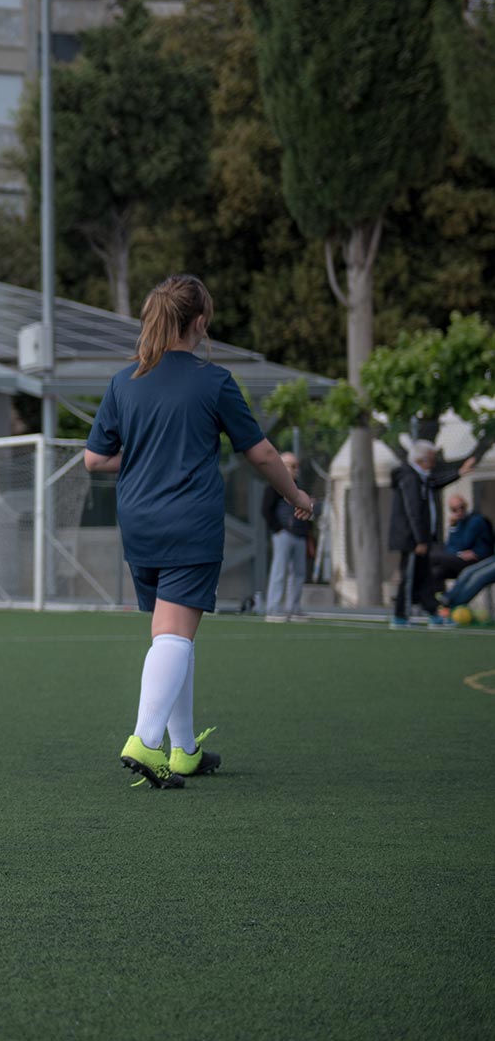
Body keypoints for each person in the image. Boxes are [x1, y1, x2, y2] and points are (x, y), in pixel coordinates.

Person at [84, 275, 312, 790]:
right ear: (200, 322)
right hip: (189, 522)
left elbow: (94, 459)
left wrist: (142, 456)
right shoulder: (214, 382)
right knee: (173, 636)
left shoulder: (125, 381)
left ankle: (183, 749)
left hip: (139, 522)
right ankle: (145, 739)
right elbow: (263, 454)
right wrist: (297, 497)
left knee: (174, 635)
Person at [387, 440, 476, 628]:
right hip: (412, 540)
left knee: (425, 576)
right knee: (410, 576)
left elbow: (436, 482)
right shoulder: (409, 478)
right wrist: (419, 540)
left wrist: (460, 472)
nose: (435, 461)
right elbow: (413, 510)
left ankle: (434, 613)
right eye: (432, 458)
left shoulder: (422, 478)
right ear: (423, 459)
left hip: (422, 539)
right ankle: (400, 616)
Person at [261, 452, 311, 622]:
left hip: (300, 535)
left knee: (298, 573)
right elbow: (266, 510)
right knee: (279, 571)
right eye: (291, 466)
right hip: (284, 534)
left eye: (296, 466)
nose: (295, 470)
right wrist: (278, 530)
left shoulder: (299, 487)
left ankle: (294, 608)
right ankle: (273, 608)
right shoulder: (274, 486)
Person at [439, 494, 495, 613]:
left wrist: (473, 552)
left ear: (466, 506)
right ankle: (446, 600)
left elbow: (462, 545)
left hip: (482, 557)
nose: (459, 511)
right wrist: (453, 527)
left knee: (479, 576)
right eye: (454, 509)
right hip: (488, 558)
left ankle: (451, 606)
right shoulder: (460, 522)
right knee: (467, 572)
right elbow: (449, 549)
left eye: (462, 507)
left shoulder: (476, 520)